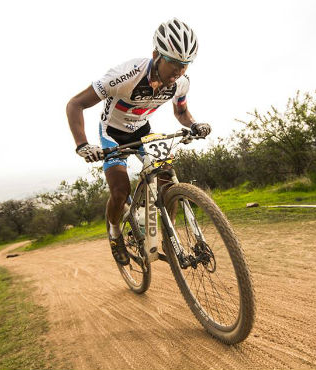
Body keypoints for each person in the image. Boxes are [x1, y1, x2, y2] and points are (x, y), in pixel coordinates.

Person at [66, 18, 211, 265]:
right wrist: (83, 145)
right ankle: (115, 234)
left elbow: (181, 113)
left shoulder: (181, 83)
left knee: (166, 174)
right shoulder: (126, 75)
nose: (179, 71)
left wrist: (194, 124)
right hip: (112, 135)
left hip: (143, 131)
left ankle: (168, 233)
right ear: (157, 55)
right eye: (174, 63)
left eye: (185, 65)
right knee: (121, 190)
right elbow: (75, 104)